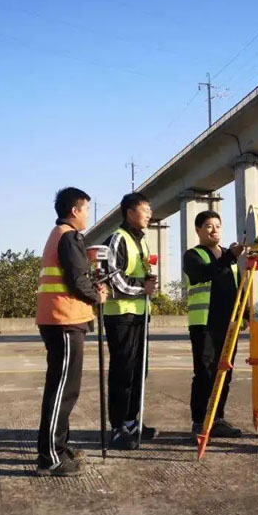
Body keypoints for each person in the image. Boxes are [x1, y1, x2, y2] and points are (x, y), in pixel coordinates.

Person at [36, 187, 107, 476]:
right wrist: (97, 295)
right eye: (87, 209)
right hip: (63, 320)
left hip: (63, 320)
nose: (88, 214)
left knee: (66, 388)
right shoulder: (69, 236)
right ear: (75, 210)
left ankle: (60, 448)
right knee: (62, 390)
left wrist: (91, 290)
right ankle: (50, 456)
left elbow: (76, 278)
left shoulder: (62, 236)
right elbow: (78, 279)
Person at [183, 210, 245, 444]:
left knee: (224, 372)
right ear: (198, 230)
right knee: (205, 373)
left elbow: (239, 288)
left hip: (229, 324)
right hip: (204, 324)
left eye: (217, 225)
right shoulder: (193, 255)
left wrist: (244, 314)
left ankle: (217, 418)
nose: (214, 229)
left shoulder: (230, 260)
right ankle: (200, 421)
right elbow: (203, 274)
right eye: (208, 226)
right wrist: (229, 256)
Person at [103, 192, 158, 450]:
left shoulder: (141, 242)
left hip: (139, 314)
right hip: (121, 314)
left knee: (139, 370)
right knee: (122, 371)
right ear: (129, 212)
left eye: (150, 209)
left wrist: (148, 284)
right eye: (145, 209)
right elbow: (113, 278)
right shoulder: (117, 238)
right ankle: (117, 427)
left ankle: (132, 420)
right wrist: (143, 288)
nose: (149, 214)